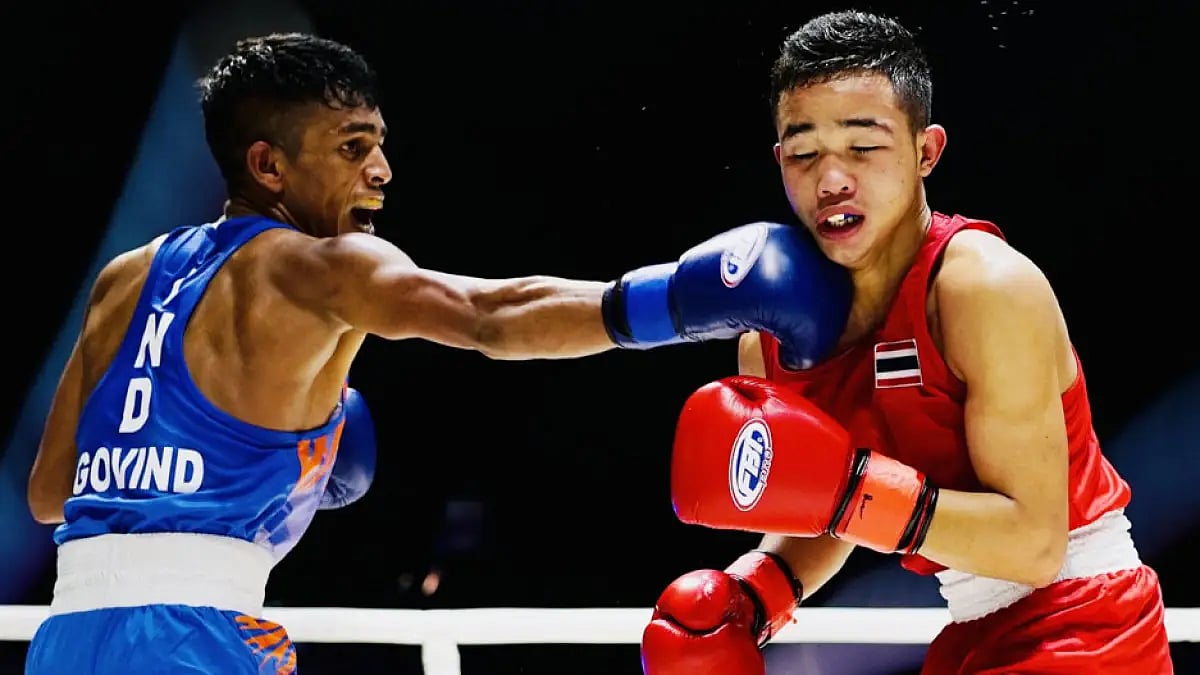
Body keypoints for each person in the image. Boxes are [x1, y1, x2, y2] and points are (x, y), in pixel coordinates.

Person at [23, 32, 852, 674]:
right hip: (194, 640)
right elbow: (489, 314)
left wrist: (260, 459)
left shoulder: (125, 277)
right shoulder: (325, 267)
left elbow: (51, 492)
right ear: (268, 165)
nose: (382, 170)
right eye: (352, 147)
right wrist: (683, 301)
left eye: (379, 143)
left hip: (68, 637)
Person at [640, 9, 1173, 675]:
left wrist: (849, 491)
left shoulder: (983, 286)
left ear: (926, 151)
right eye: (804, 153)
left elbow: (1034, 545)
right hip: (971, 624)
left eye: (863, 148)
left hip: (1085, 621)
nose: (832, 180)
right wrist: (754, 596)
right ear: (779, 161)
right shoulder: (775, 340)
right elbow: (834, 505)